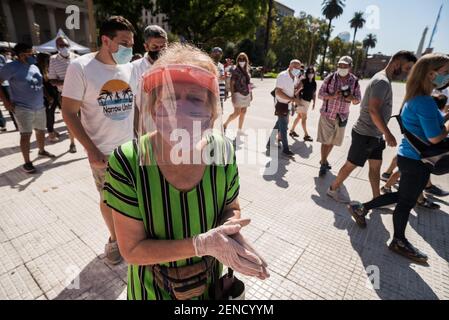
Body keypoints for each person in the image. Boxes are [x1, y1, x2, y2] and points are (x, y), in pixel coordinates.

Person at [103, 43, 269, 300]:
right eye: (169, 97)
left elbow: (231, 206)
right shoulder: (127, 160)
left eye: (194, 98)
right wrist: (201, 244)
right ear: (153, 105)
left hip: (210, 289)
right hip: (150, 292)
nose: (179, 110)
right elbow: (132, 250)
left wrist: (231, 234)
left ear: (211, 109)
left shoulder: (222, 150)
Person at [347, 53, 449, 264]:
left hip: (411, 158)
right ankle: (398, 240)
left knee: (403, 196)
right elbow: (435, 136)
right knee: (406, 201)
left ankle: (362, 207)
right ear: (430, 74)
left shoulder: (417, 98)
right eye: (445, 72)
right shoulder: (424, 102)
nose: (447, 77)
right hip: (417, 160)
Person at [62, 16, 136, 265]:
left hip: (130, 149)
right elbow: (69, 112)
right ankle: (115, 240)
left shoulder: (128, 68)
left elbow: (133, 108)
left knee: (134, 197)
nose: (130, 48)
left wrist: (139, 140)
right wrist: (91, 149)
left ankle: (133, 235)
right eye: (124, 42)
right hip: (102, 152)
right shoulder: (80, 67)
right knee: (109, 199)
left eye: (131, 42)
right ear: (106, 40)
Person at [327, 51, 417, 203]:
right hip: (365, 134)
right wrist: (388, 133)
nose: (407, 72)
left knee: (375, 167)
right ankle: (333, 189)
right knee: (351, 165)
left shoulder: (385, 80)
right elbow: (373, 110)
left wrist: (382, 134)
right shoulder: (381, 81)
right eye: (407, 68)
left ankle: (377, 199)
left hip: (375, 135)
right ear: (396, 64)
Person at [0, 43, 55, 173]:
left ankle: (41, 151)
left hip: (39, 105)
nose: (33, 56)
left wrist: (47, 96)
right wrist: (6, 102)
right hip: (22, 107)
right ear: (22, 54)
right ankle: (27, 162)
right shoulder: (11, 67)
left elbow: (39, 83)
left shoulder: (34, 66)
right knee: (26, 135)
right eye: (31, 54)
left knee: (41, 131)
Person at [317, 56, 361, 177]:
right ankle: (323, 163)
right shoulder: (330, 78)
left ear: (350, 67)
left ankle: (323, 160)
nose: (342, 68)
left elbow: (358, 100)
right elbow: (320, 94)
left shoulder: (355, 81)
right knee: (326, 141)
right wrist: (332, 96)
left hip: (342, 116)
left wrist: (351, 98)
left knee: (333, 141)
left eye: (345, 66)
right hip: (327, 114)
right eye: (340, 65)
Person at [130, 25, 168, 135]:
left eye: (163, 47)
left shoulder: (173, 66)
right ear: (146, 47)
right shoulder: (134, 68)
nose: (160, 50)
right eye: (155, 47)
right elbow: (133, 105)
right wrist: (139, 132)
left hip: (170, 129)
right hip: (146, 129)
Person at [48, 36, 79, 153]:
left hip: (82, 94)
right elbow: (52, 80)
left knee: (88, 119)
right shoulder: (53, 60)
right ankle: (72, 143)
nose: (64, 48)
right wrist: (67, 81)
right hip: (66, 95)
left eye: (66, 45)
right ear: (57, 47)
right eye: (61, 46)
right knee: (71, 120)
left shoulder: (77, 58)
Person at [266, 59, 303, 157]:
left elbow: (290, 91)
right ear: (290, 66)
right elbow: (278, 92)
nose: (297, 69)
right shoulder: (283, 75)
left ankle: (269, 143)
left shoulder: (294, 77)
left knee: (279, 125)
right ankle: (286, 149)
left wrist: (298, 89)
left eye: (298, 67)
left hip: (288, 105)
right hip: (281, 104)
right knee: (283, 127)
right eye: (295, 66)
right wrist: (292, 98)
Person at [223, 53, 252, 134]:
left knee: (244, 112)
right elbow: (232, 83)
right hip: (237, 93)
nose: (241, 61)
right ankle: (225, 124)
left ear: (246, 60)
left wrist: (251, 93)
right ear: (237, 60)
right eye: (240, 59)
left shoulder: (247, 70)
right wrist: (232, 95)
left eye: (243, 59)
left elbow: (249, 83)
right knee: (237, 113)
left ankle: (239, 130)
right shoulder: (235, 70)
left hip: (246, 94)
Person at [289, 66, 317, 141]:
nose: (310, 74)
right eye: (309, 72)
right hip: (302, 101)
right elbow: (296, 91)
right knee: (304, 118)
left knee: (299, 117)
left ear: (314, 73)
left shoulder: (314, 83)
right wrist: (297, 102)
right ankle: (306, 135)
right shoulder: (304, 80)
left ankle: (292, 131)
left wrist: (314, 102)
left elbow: (314, 93)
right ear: (307, 73)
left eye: (312, 72)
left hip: (308, 102)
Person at [0, 47, 18, 131]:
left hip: (7, 83)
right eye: (8, 54)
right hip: (4, 84)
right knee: (11, 103)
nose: (9, 55)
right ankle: (17, 123)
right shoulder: (1, 58)